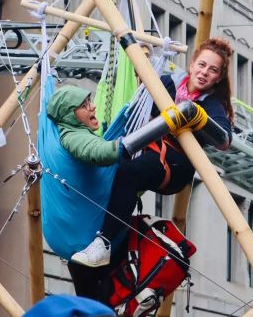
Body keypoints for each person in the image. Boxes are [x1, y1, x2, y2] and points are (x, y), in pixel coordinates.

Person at [70, 37, 235, 268]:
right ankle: (101, 239)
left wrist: (194, 116)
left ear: (218, 78)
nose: (205, 72)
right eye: (202, 65)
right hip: (149, 152)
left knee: (128, 172)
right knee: (111, 169)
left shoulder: (211, 105)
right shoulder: (167, 83)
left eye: (213, 70)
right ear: (192, 64)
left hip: (176, 165)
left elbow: (224, 140)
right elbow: (138, 106)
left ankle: (104, 243)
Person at [45, 85, 122, 301]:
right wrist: (122, 146)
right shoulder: (73, 136)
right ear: (71, 114)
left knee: (93, 301)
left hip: (76, 241)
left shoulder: (70, 132)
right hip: (85, 241)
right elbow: (97, 151)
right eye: (85, 105)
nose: (93, 106)